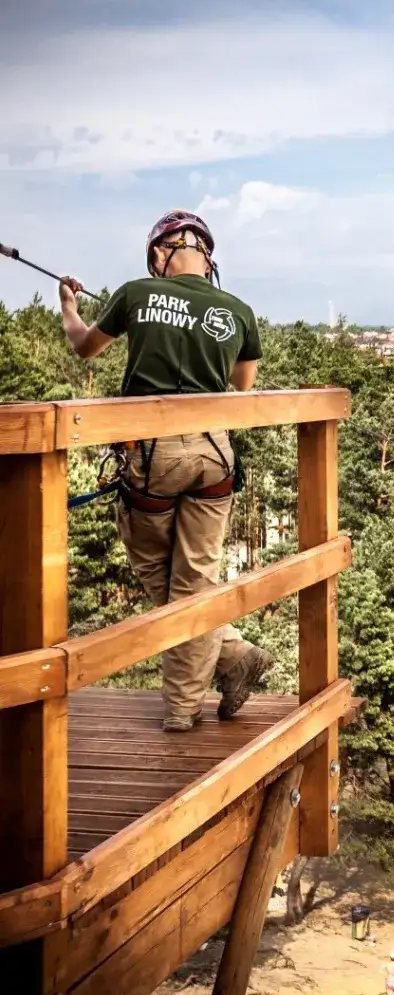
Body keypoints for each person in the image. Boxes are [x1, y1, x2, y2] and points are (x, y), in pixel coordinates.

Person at [58, 210, 273, 732]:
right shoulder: (238, 310)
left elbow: (84, 345)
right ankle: (232, 655)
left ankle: (183, 709)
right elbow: (243, 386)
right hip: (214, 455)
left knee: (161, 572)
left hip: (154, 456)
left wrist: (68, 306)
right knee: (195, 580)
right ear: (208, 256)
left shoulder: (137, 294)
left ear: (159, 252)